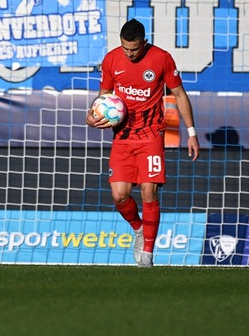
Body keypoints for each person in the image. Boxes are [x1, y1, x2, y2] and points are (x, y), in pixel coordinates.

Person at [85, 18, 200, 267]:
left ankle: (147, 254)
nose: (130, 53)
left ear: (144, 43)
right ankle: (138, 229)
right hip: (123, 137)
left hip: (151, 135)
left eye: (135, 49)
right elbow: (104, 97)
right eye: (126, 48)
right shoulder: (111, 60)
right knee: (119, 195)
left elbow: (179, 94)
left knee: (149, 191)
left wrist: (191, 132)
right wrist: (93, 114)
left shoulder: (162, 58)